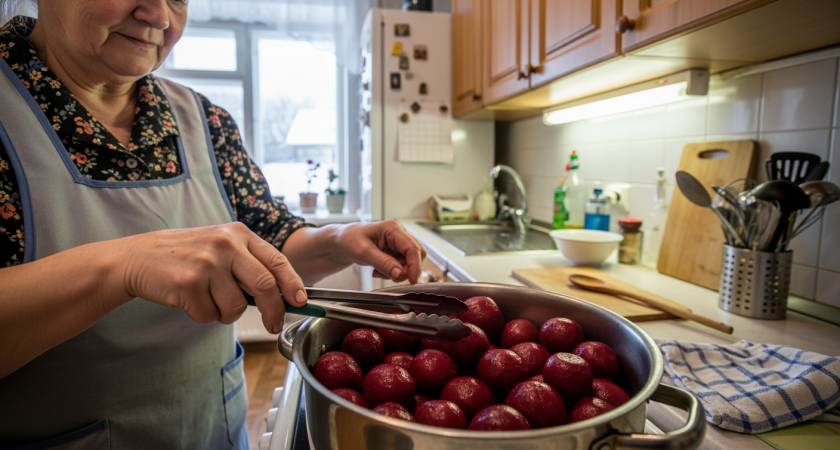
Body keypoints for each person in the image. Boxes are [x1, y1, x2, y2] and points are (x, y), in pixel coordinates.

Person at [0, 1, 426, 448]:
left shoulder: (206, 120)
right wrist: (125, 265)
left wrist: (338, 240)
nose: (161, 17)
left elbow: (272, 241)